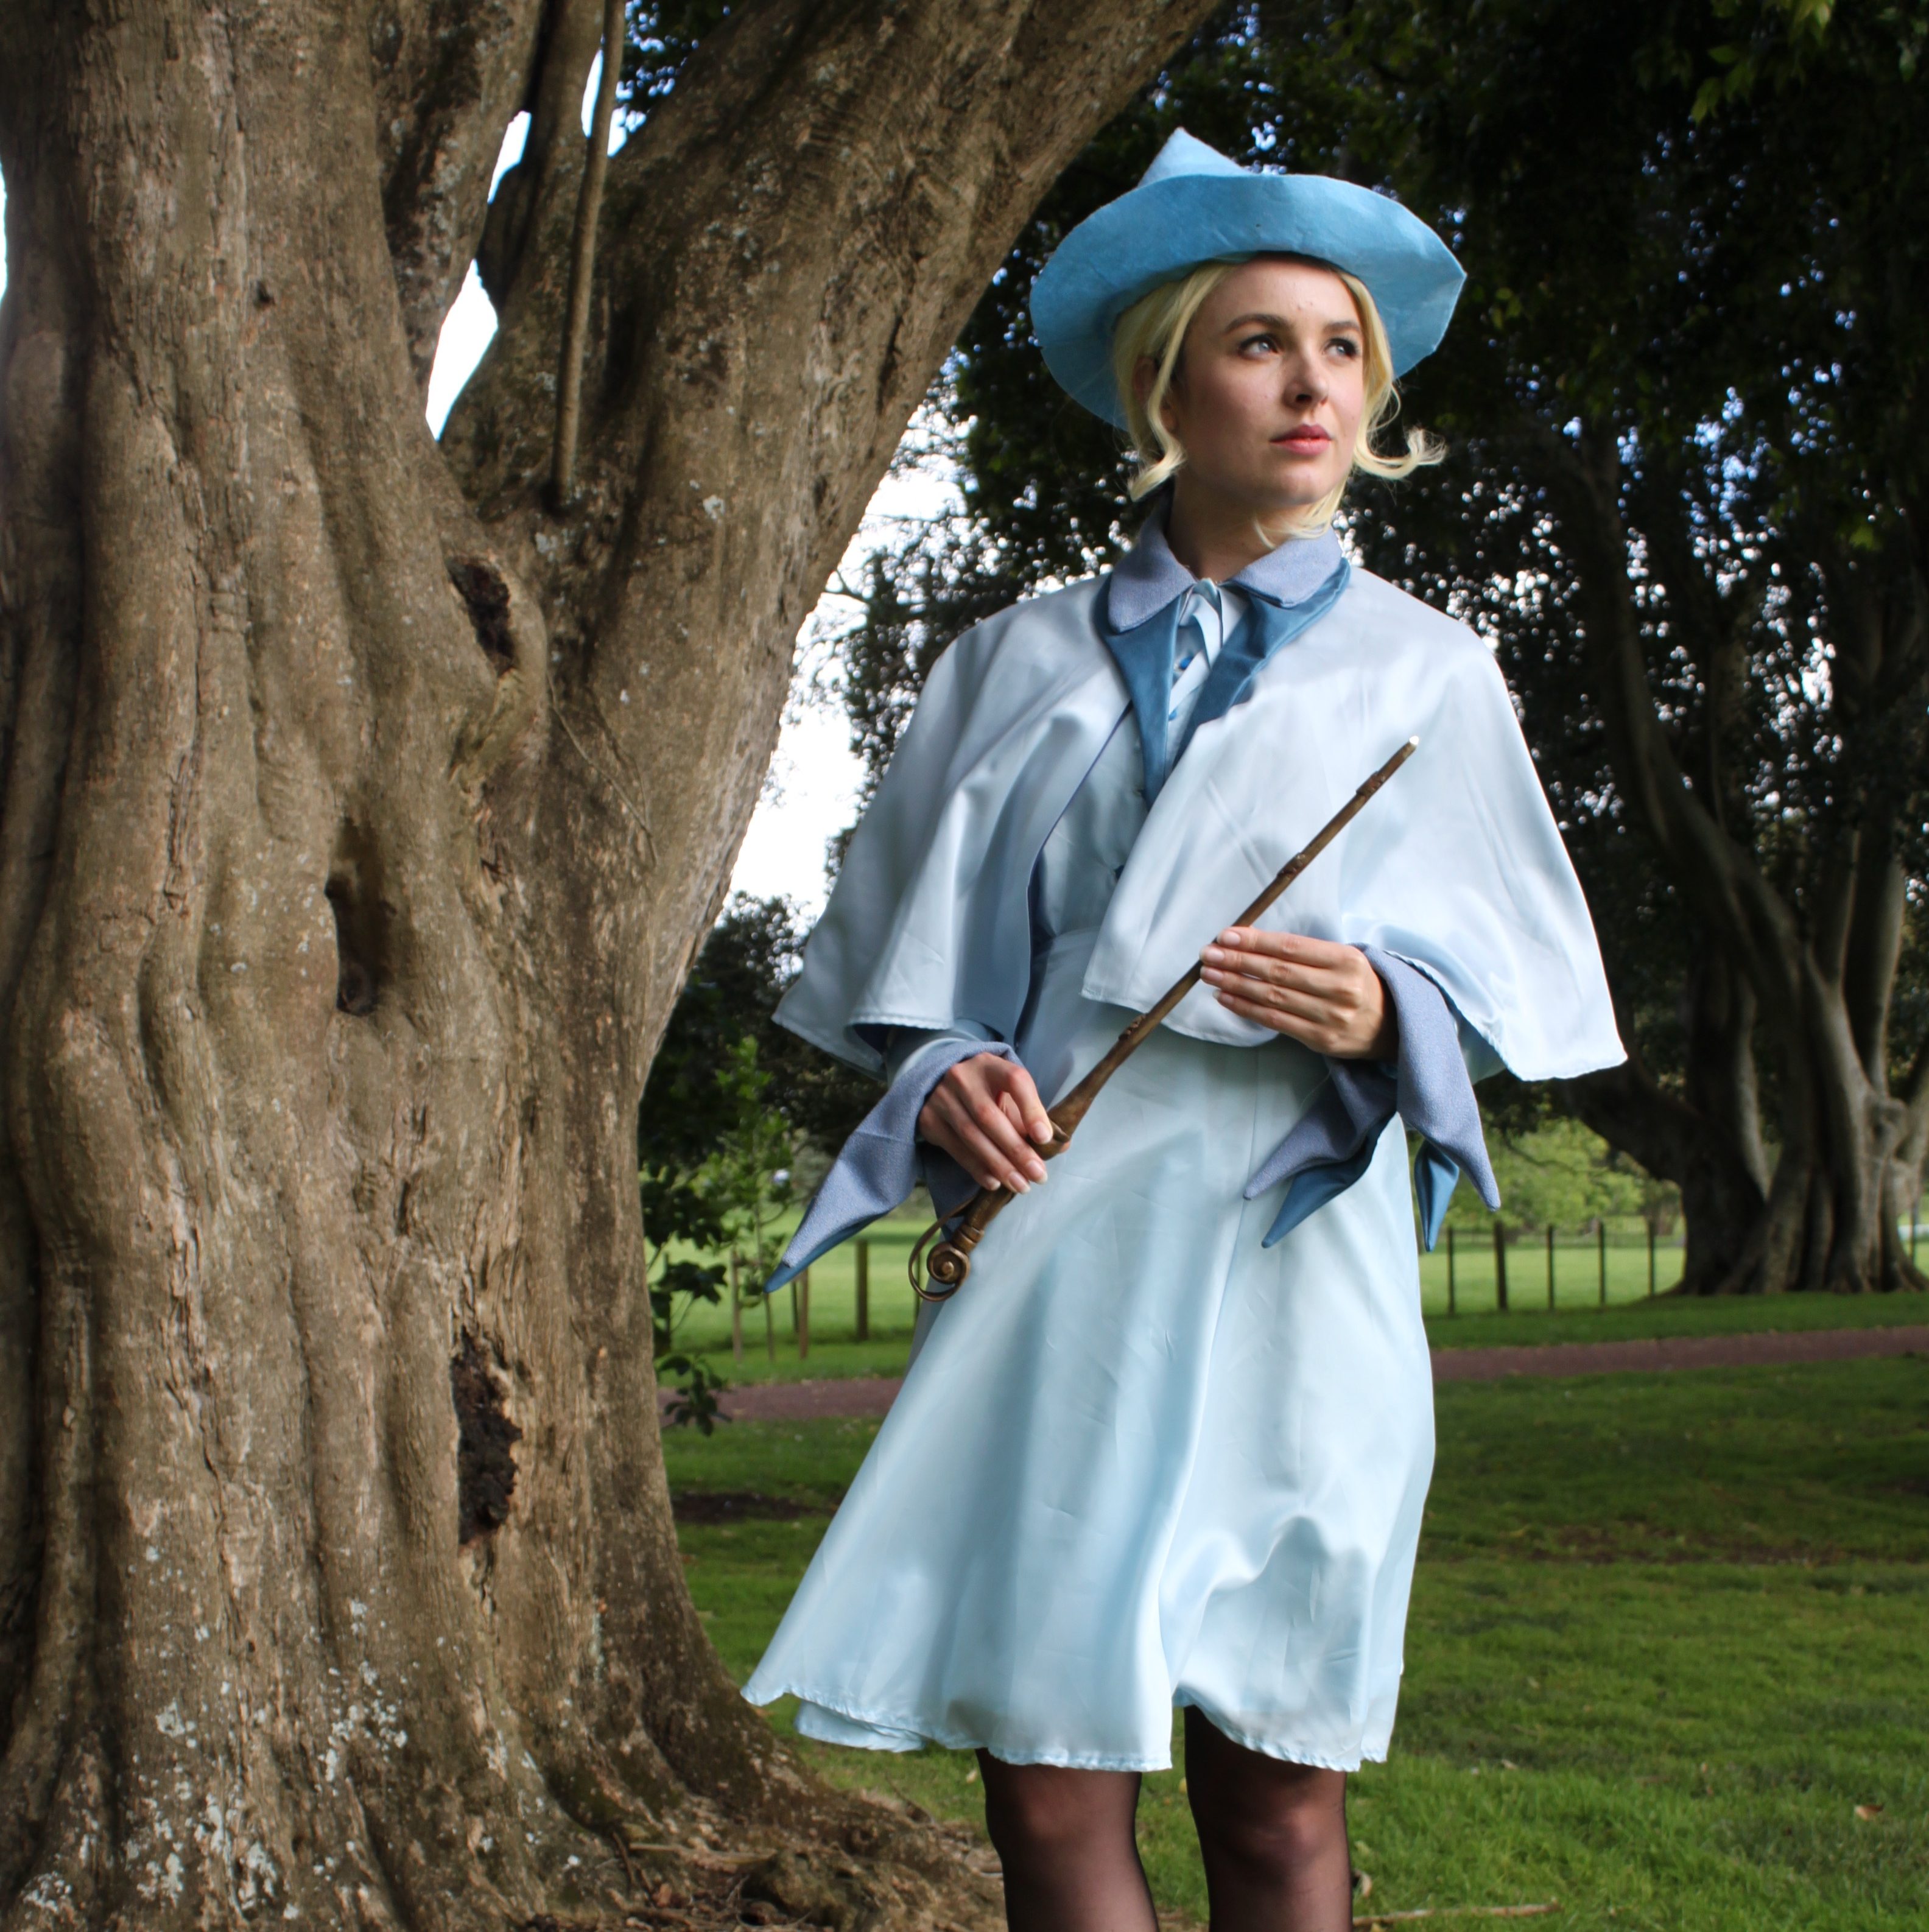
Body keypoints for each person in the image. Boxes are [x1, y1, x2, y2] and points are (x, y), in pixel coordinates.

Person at [740, 131, 1625, 1930]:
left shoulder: (1427, 671)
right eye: (1259, 343)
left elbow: (1502, 977)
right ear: (1165, 382)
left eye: (1342, 348)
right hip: (1063, 1233)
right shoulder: (1012, 661)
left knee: (1280, 1783)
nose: (1312, 385)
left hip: (1298, 1252)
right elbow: (907, 971)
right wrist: (941, 1075)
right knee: (1049, 1773)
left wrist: (1386, 1008)